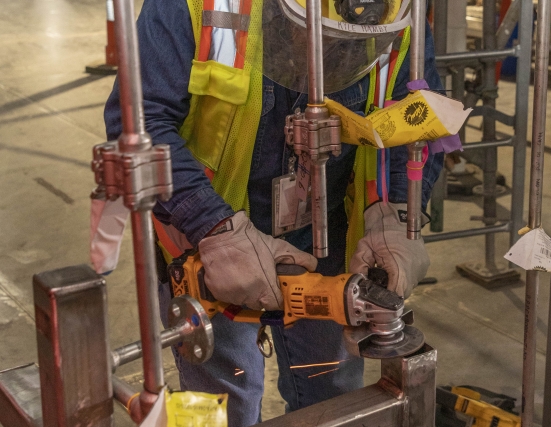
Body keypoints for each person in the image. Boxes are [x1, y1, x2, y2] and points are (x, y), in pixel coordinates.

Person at [105, 0, 444, 424]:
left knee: (332, 390)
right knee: (225, 403)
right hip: (208, 245)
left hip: (328, 237)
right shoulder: (196, 5)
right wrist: (214, 227)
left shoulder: (400, 8)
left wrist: (392, 213)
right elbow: (138, 119)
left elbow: (420, 112)